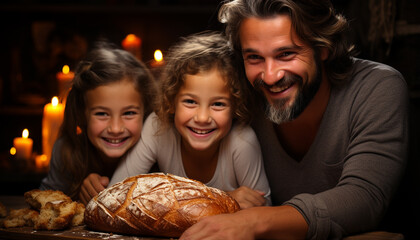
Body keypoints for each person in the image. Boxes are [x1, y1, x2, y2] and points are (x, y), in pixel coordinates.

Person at [180, 0, 408, 239]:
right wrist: (227, 198)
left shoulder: (377, 87)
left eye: (286, 54)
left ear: (322, 47)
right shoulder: (239, 92)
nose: (269, 77)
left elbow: (365, 198)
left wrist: (251, 222)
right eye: (255, 58)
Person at [110, 31, 271, 209]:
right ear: (171, 102)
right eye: (190, 101)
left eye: (218, 104)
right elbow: (115, 193)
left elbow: (264, 213)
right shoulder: (158, 127)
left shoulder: (241, 142)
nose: (202, 118)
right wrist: (222, 199)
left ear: (235, 107)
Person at [39, 42, 157, 205]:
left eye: (129, 113)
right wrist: (79, 197)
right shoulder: (67, 151)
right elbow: (43, 205)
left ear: (145, 113)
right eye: (102, 114)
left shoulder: (156, 152)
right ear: (82, 114)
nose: (116, 128)